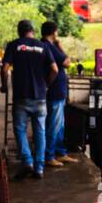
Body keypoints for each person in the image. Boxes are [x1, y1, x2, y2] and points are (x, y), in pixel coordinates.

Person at [1, 19, 56, 180]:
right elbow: (54, 69)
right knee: (40, 132)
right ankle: (39, 168)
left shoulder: (14, 45)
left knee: (20, 130)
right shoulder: (43, 46)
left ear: (19, 31)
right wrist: (46, 85)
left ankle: (27, 162)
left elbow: (5, 69)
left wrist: (4, 86)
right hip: (40, 97)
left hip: (21, 97)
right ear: (32, 30)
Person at [39, 21, 72, 168]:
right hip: (55, 91)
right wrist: (59, 44)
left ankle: (60, 152)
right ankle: (49, 155)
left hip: (56, 91)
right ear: (54, 32)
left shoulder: (43, 45)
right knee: (53, 125)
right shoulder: (49, 46)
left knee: (60, 125)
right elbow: (66, 62)